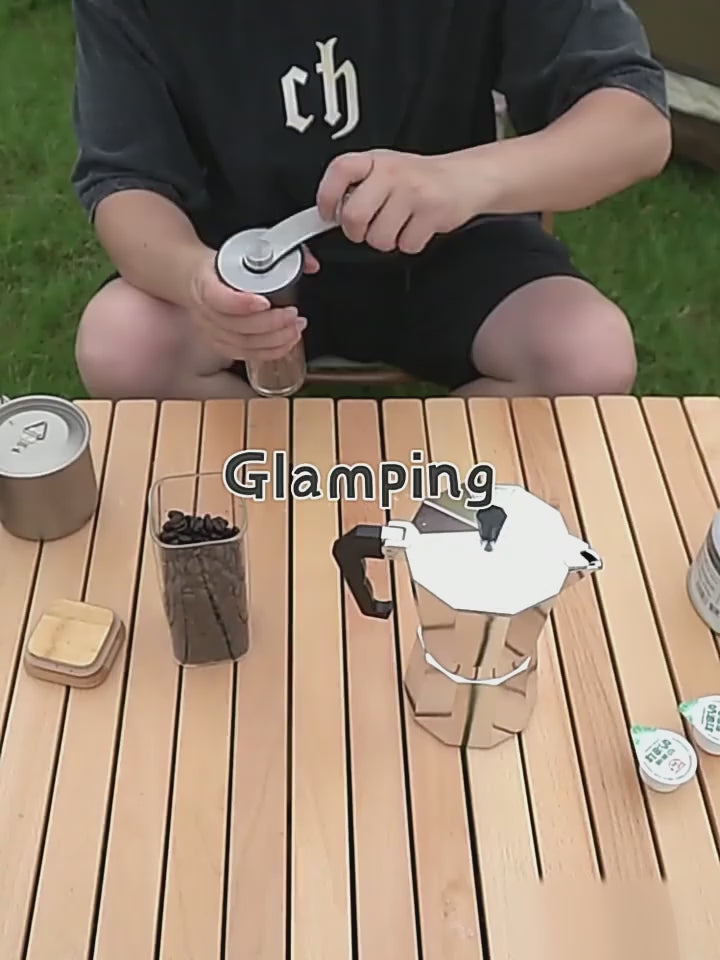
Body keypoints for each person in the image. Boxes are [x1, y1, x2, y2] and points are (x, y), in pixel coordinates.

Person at [70, 0, 671, 400]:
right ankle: (283, 472)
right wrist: (193, 278)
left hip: (451, 246)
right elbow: (126, 182)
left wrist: (462, 180)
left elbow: (637, 124)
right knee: (120, 346)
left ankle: (411, 482)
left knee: (588, 354)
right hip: (246, 259)